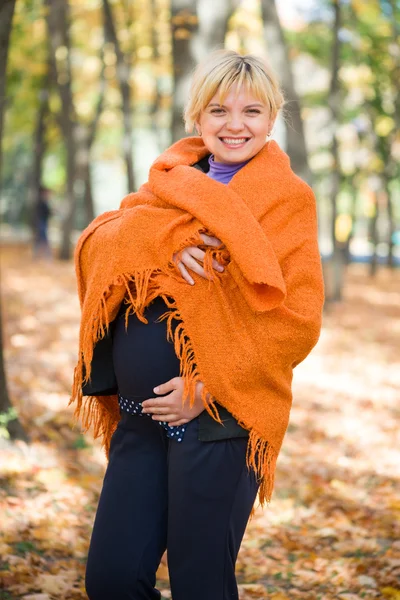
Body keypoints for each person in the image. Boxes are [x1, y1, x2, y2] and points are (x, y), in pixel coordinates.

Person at [70, 49, 325, 600]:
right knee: (111, 580)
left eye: (252, 112)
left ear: (272, 117)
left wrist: (209, 386)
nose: (234, 125)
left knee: (200, 586)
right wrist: (164, 242)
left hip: (218, 422)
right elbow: (100, 242)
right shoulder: (168, 183)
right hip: (140, 421)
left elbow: (298, 321)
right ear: (197, 116)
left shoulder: (287, 200)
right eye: (218, 110)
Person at [32, 185, 52, 259]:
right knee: (44, 239)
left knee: (39, 239)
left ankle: (36, 255)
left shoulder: (44, 202)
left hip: (42, 223)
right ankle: (48, 256)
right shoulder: (41, 203)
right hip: (41, 223)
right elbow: (45, 213)